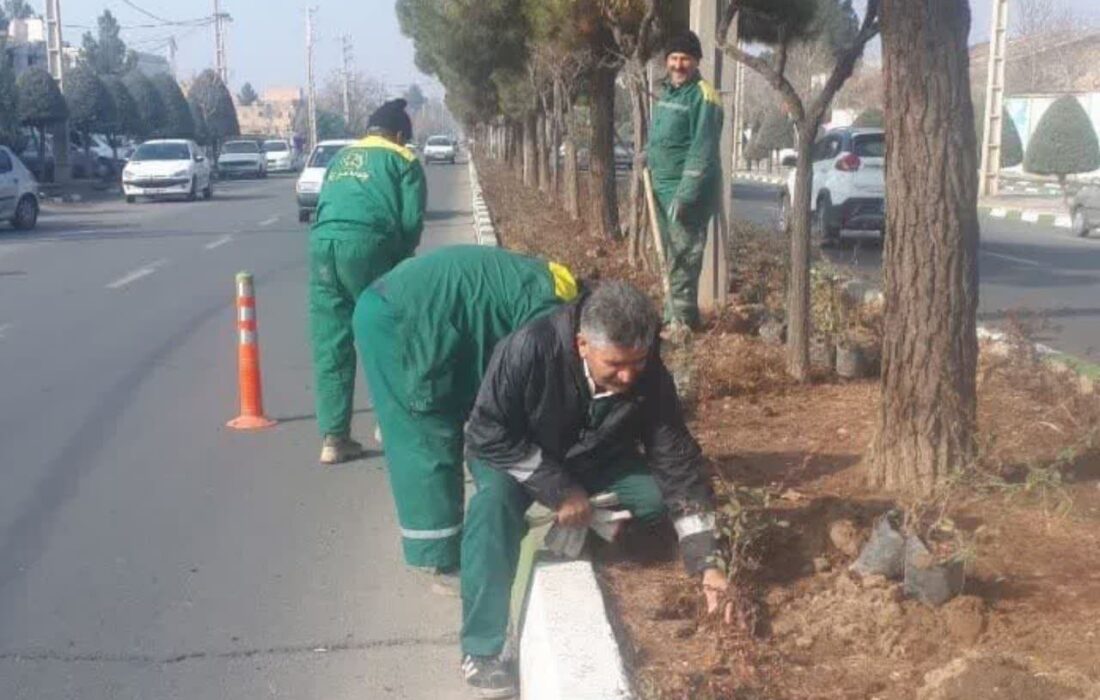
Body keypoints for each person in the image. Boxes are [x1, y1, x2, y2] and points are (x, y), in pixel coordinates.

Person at [459, 281, 726, 698]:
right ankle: (483, 648)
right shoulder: (527, 350)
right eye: (615, 364)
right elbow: (486, 433)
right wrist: (560, 489)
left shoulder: (648, 372)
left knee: (655, 498)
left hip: (591, 457)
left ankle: (587, 534)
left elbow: (675, 458)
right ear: (583, 344)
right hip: (513, 457)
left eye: (638, 362)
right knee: (490, 512)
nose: (628, 375)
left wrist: (707, 561)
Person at [353, 245, 578, 582]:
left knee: (428, 415)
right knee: (426, 431)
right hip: (403, 319)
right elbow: (526, 392)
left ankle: (397, 413)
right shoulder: (550, 318)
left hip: (410, 304)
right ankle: (439, 559)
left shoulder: (554, 288)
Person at [309, 98, 426, 465]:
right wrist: (401, 270)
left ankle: (334, 438)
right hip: (368, 246)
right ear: (398, 135)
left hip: (322, 247)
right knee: (385, 334)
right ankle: (388, 424)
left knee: (332, 343)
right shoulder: (403, 161)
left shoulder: (341, 158)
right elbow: (410, 224)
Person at [647, 30, 724, 332]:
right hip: (662, 189)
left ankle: (681, 326)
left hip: (686, 195)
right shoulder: (670, 93)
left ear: (696, 61)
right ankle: (676, 316)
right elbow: (666, 138)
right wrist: (646, 155)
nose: (678, 65)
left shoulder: (704, 96)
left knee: (682, 260)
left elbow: (702, 150)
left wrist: (686, 195)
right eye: (674, 58)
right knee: (669, 257)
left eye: (685, 59)